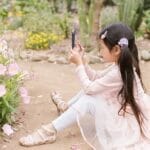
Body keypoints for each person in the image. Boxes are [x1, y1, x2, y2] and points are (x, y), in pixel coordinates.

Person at [19, 23, 150, 149]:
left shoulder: (120, 72)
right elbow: (96, 77)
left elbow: (90, 89)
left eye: (102, 47)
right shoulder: (121, 65)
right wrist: (84, 62)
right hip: (121, 112)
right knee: (93, 91)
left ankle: (49, 131)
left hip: (126, 126)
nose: (100, 51)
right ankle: (66, 109)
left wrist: (79, 64)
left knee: (89, 98)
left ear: (116, 50)